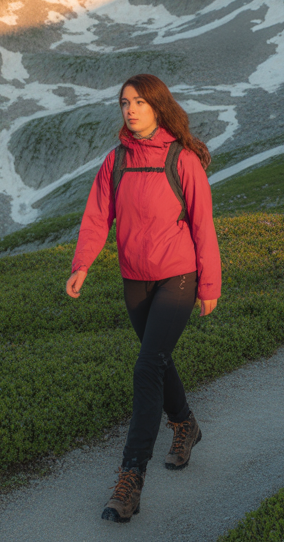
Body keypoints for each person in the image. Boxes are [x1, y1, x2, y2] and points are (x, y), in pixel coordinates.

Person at [66, 73, 221, 523]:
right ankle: (186, 425)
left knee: (147, 366)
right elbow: (97, 216)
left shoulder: (182, 159)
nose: (130, 109)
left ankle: (130, 479)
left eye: (138, 102)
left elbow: (202, 226)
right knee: (158, 359)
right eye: (123, 103)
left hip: (178, 277)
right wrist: (82, 264)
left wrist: (209, 284)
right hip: (134, 278)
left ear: (157, 106)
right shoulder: (116, 162)